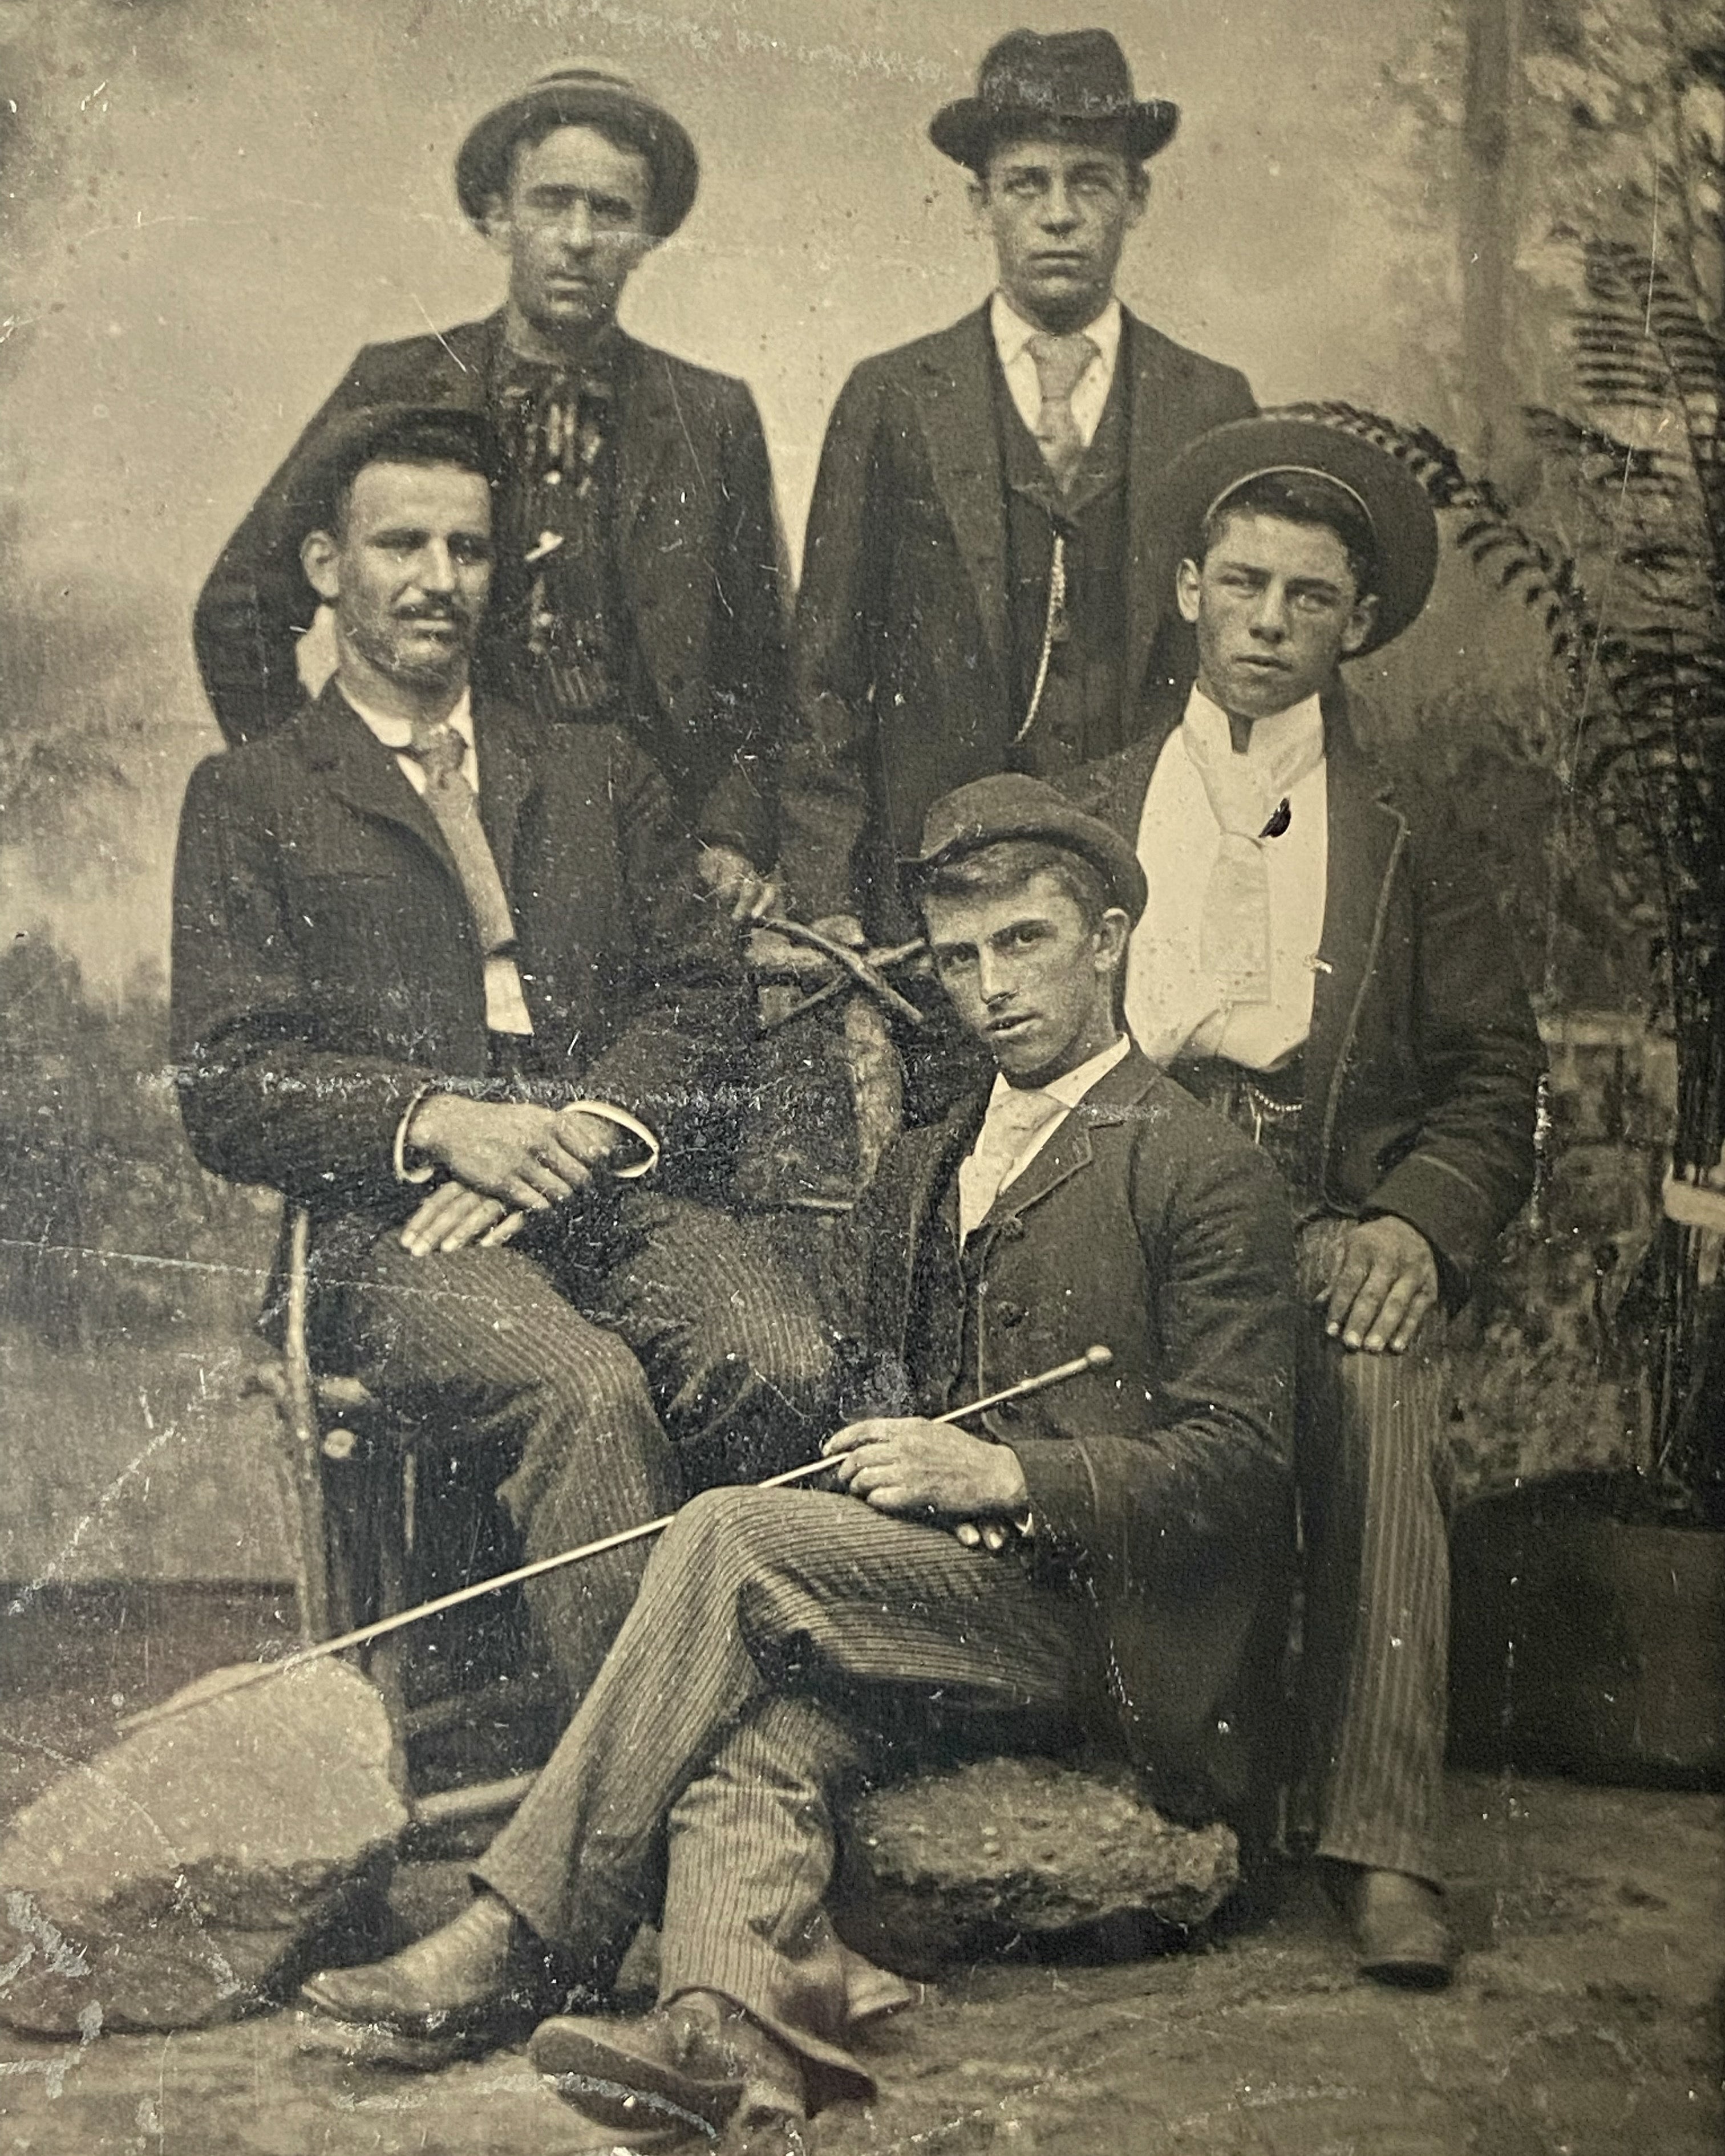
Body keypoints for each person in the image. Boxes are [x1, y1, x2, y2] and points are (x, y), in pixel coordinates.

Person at [298, 775, 1297, 2155]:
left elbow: (1246, 1470)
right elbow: (879, 1384)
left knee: (729, 1537)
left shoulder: (1199, 1167)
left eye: (1026, 944)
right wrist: (881, 1452)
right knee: (748, 1740)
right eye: (958, 960)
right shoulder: (926, 1164)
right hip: (940, 1615)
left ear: (1113, 938)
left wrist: (1004, 1480)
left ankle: (521, 1927)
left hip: (1107, 1631)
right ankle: (729, 2045)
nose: (990, 988)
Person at [170, 404, 829, 1710]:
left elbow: (701, 996)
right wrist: (437, 1124)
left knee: (784, 1355)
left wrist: (575, 1137)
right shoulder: (254, 795)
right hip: (396, 1231)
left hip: (611, 1185)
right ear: (322, 568)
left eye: (469, 550)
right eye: (400, 544)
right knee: (583, 1392)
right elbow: (229, 1079)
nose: (437, 581)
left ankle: (762, 1737)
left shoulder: (596, 768)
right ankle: (650, 1819)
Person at [1066, 416, 1545, 1985]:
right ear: (1192, 589)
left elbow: (1489, 1075)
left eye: (1312, 598)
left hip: (1318, 1208)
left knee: (1374, 1368)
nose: (1271, 622)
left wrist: (1412, 1224)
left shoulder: (1412, 836)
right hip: (1119, 1209)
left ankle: (1382, 1834)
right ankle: (1124, 1784)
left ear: (1358, 625)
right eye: (1246, 583)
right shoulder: (1085, 801)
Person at [193, 67, 790, 915]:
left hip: (645, 845)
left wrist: (731, 834)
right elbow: (241, 607)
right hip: (442, 818)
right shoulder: (398, 381)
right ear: (497, 216)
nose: (579, 238)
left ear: (649, 234)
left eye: (612, 212)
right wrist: (326, 790)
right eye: (551, 203)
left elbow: (764, 666)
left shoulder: (708, 413)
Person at [779, 27, 1255, 975]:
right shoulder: (893, 397)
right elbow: (824, 678)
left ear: (1138, 197)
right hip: (930, 909)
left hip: (1148, 899)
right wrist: (828, 905)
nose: (1060, 216)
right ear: (978, 203)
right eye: (1026, 184)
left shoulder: (1212, 404)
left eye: (1092, 181)